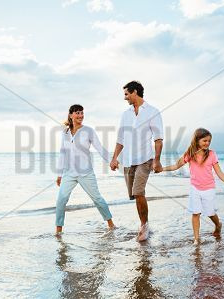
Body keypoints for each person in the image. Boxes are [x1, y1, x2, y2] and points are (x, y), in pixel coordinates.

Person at [110, 81, 163, 241]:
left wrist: (157, 161)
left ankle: (144, 226)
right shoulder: (125, 114)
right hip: (128, 160)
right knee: (134, 195)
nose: (125, 97)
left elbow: (158, 138)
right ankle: (143, 222)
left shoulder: (153, 111)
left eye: (126, 94)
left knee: (139, 191)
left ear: (135, 93)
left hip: (145, 159)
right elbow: (120, 139)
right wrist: (114, 158)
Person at [162, 128, 224, 245]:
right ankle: (196, 238)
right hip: (195, 188)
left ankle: (218, 224)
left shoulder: (211, 154)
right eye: (204, 140)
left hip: (209, 188)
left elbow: (219, 172)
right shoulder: (190, 154)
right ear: (197, 140)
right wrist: (162, 169)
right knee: (195, 213)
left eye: (209, 141)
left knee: (210, 213)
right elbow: (176, 165)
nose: (207, 143)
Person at [55, 104, 115, 234]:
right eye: (77, 113)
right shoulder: (65, 132)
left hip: (85, 173)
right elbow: (62, 153)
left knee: (97, 199)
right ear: (71, 115)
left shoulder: (88, 131)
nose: (81, 116)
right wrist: (59, 174)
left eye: (82, 113)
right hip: (69, 173)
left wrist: (111, 161)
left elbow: (99, 148)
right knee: (61, 200)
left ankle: (111, 224)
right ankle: (58, 231)